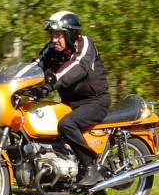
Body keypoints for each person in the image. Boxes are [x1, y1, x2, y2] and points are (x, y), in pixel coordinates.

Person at [34, 11, 111, 186]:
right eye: (53, 35)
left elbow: (77, 66)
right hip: (70, 104)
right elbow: (35, 65)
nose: (54, 39)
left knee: (67, 124)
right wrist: (17, 84)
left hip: (95, 102)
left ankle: (91, 166)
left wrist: (50, 84)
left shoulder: (85, 44)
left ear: (71, 34)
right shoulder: (51, 49)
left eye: (59, 35)